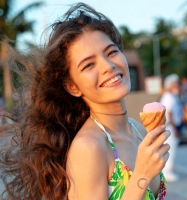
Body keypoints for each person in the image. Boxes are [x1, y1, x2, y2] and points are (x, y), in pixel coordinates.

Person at [0, 3, 170, 200]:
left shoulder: (139, 131)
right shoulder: (89, 147)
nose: (108, 66)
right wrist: (142, 175)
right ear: (73, 86)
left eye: (111, 52)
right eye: (89, 65)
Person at [160, 74, 184, 182]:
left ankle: (167, 171)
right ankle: (167, 172)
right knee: (170, 149)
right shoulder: (168, 97)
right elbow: (168, 113)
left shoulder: (170, 96)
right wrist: (175, 128)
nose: (178, 87)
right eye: (176, 85)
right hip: (170, 127)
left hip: (170, 127)